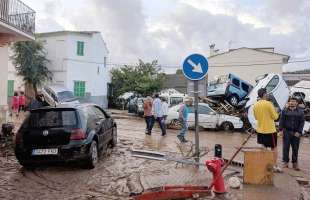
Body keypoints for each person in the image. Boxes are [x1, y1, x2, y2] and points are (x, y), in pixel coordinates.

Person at [253, 88, 281, 172]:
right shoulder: (269, 104)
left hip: (260, 130)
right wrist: (277, 112)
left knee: (263, 148)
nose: (268, 95)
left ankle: (265, 164)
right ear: (264, 94)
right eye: (267, 93)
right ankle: (274, 166)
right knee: (274, 148)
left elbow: (256, 118)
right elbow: (275, 117)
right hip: (270, 130)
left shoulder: (255, 105)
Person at [279, 96, 305, 170]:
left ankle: (295, 163)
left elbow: (302, 123)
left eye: (294, 101)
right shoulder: (284, 111)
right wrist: (280, 130)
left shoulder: (300, 112)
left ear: (297, 103)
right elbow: (281, 121)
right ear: (288, 102)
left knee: (295, 148)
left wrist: (299, 132)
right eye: (291, 101)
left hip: (296, 133)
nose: (292, 102)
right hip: (286, 131)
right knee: (285, 147)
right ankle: (285, 162)